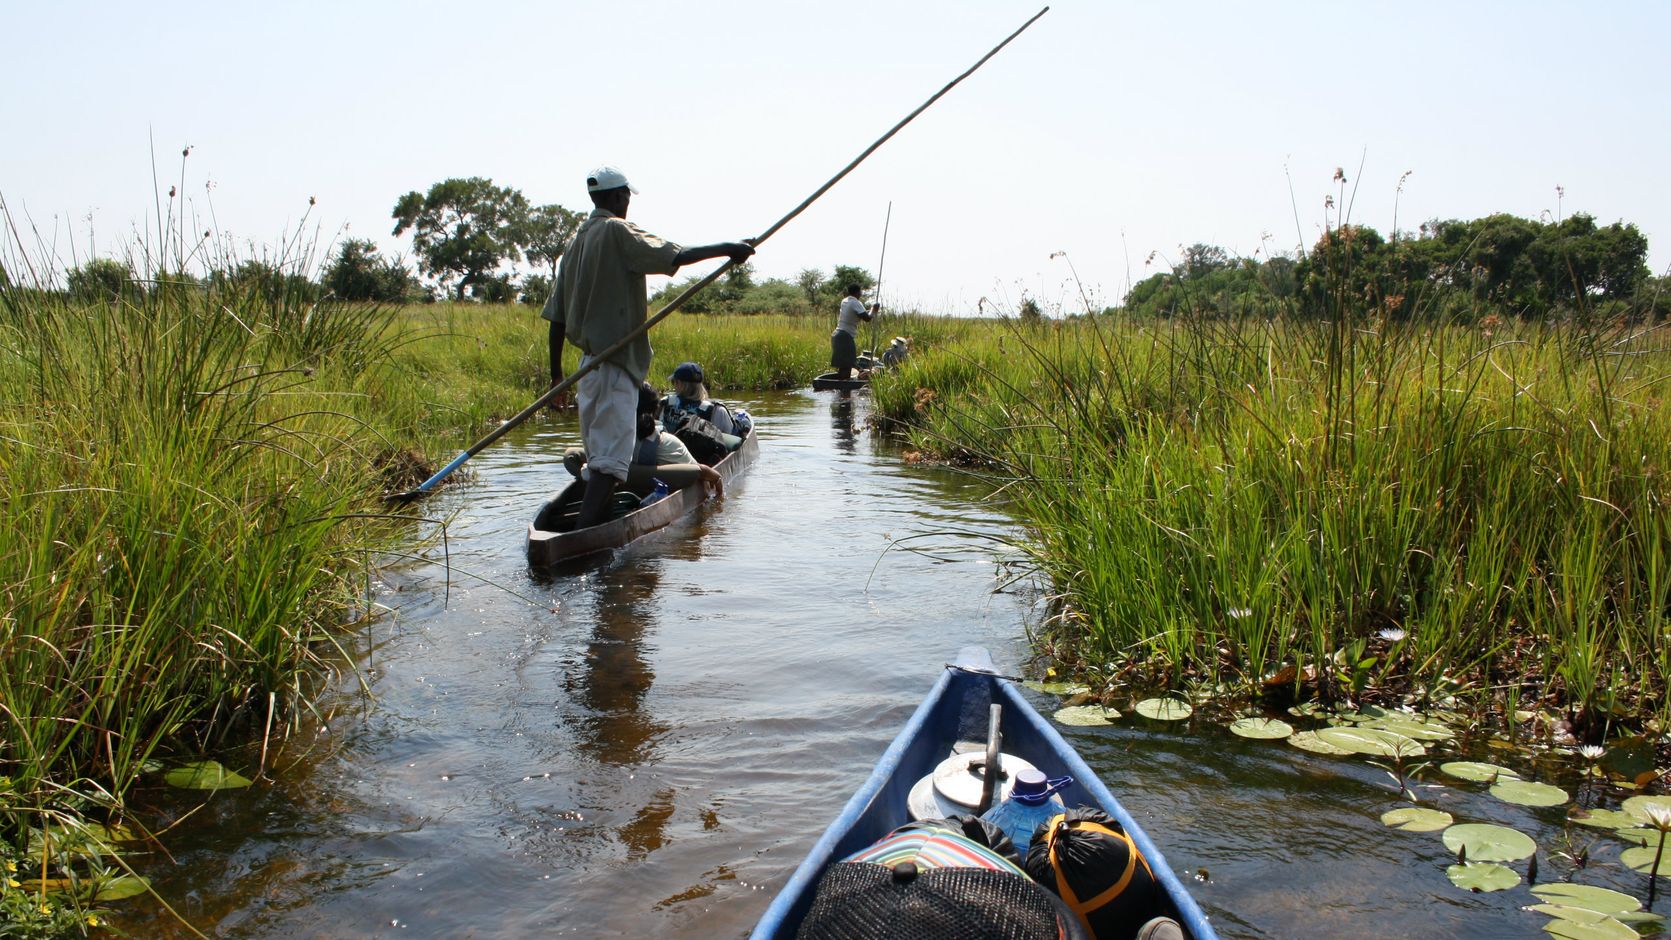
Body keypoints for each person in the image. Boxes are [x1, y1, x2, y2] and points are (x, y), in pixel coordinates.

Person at [542, 165, 753, 528]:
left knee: (600, 461)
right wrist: (727, 249)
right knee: (608, 468)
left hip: (587, 368)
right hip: (613, 367)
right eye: (626, 195)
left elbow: (556, 317)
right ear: (618, 196)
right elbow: (675, 254)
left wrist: (556, 376)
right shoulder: (617, 231)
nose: (628, 202)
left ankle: (594, 529)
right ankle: (583, 540)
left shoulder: (575, 242)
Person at [661, 361, 741, 439]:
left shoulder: (664, 403)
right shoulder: (717, 410)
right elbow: (733, 438)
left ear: (679, 384)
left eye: (673, 382)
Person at [830, 283, 877, 381]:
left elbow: (858, 313)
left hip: (837, 335)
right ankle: (844, 391)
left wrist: (870, 310)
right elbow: (867, 318)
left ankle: (840, 390)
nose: (861, 293)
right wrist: (873, 310)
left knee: (844, 365)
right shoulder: (855, 302)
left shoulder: (845, 301)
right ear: (857, 292)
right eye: (860, 292)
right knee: (847, 365)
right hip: (845, 336)